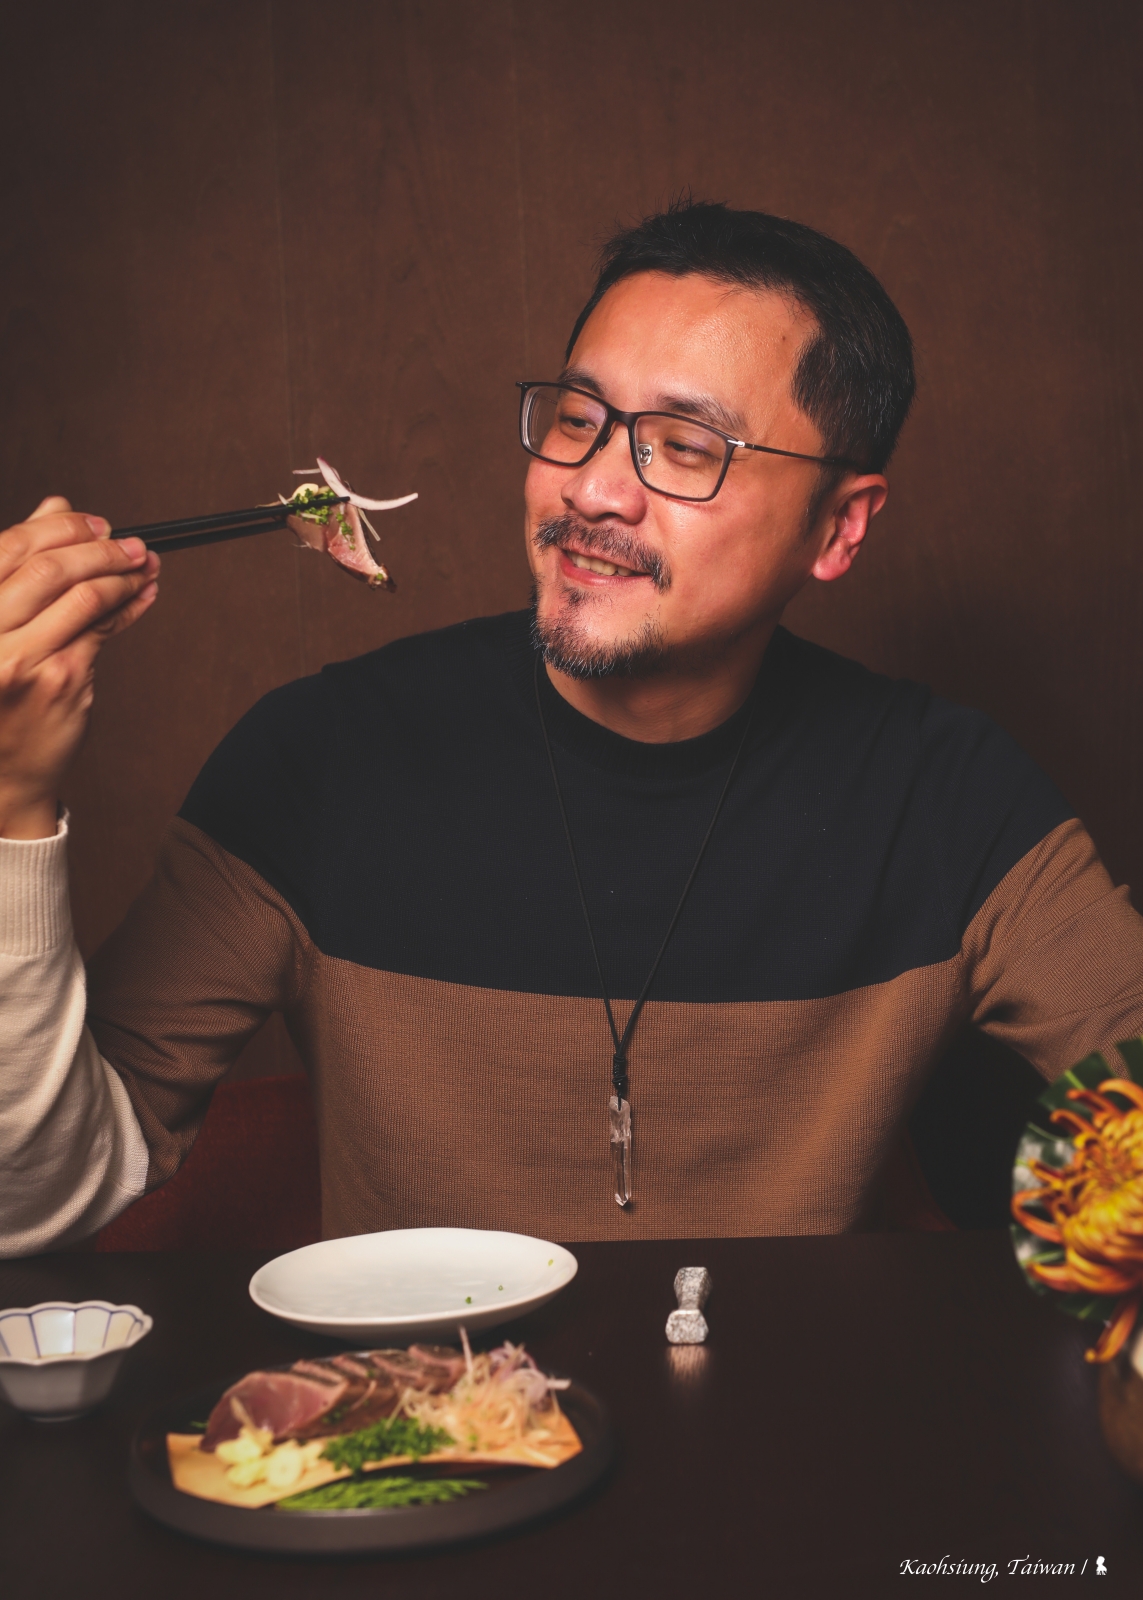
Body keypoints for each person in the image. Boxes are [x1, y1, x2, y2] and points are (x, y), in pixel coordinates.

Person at [3, 200, 1142, 1258]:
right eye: (578, 419)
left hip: (799, 1410)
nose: (593, 489)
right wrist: (12, 802)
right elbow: (39, 1196)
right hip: (419, 1410)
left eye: (685, 447)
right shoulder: (320, 756)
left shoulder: (949, 795)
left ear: (839, 527)